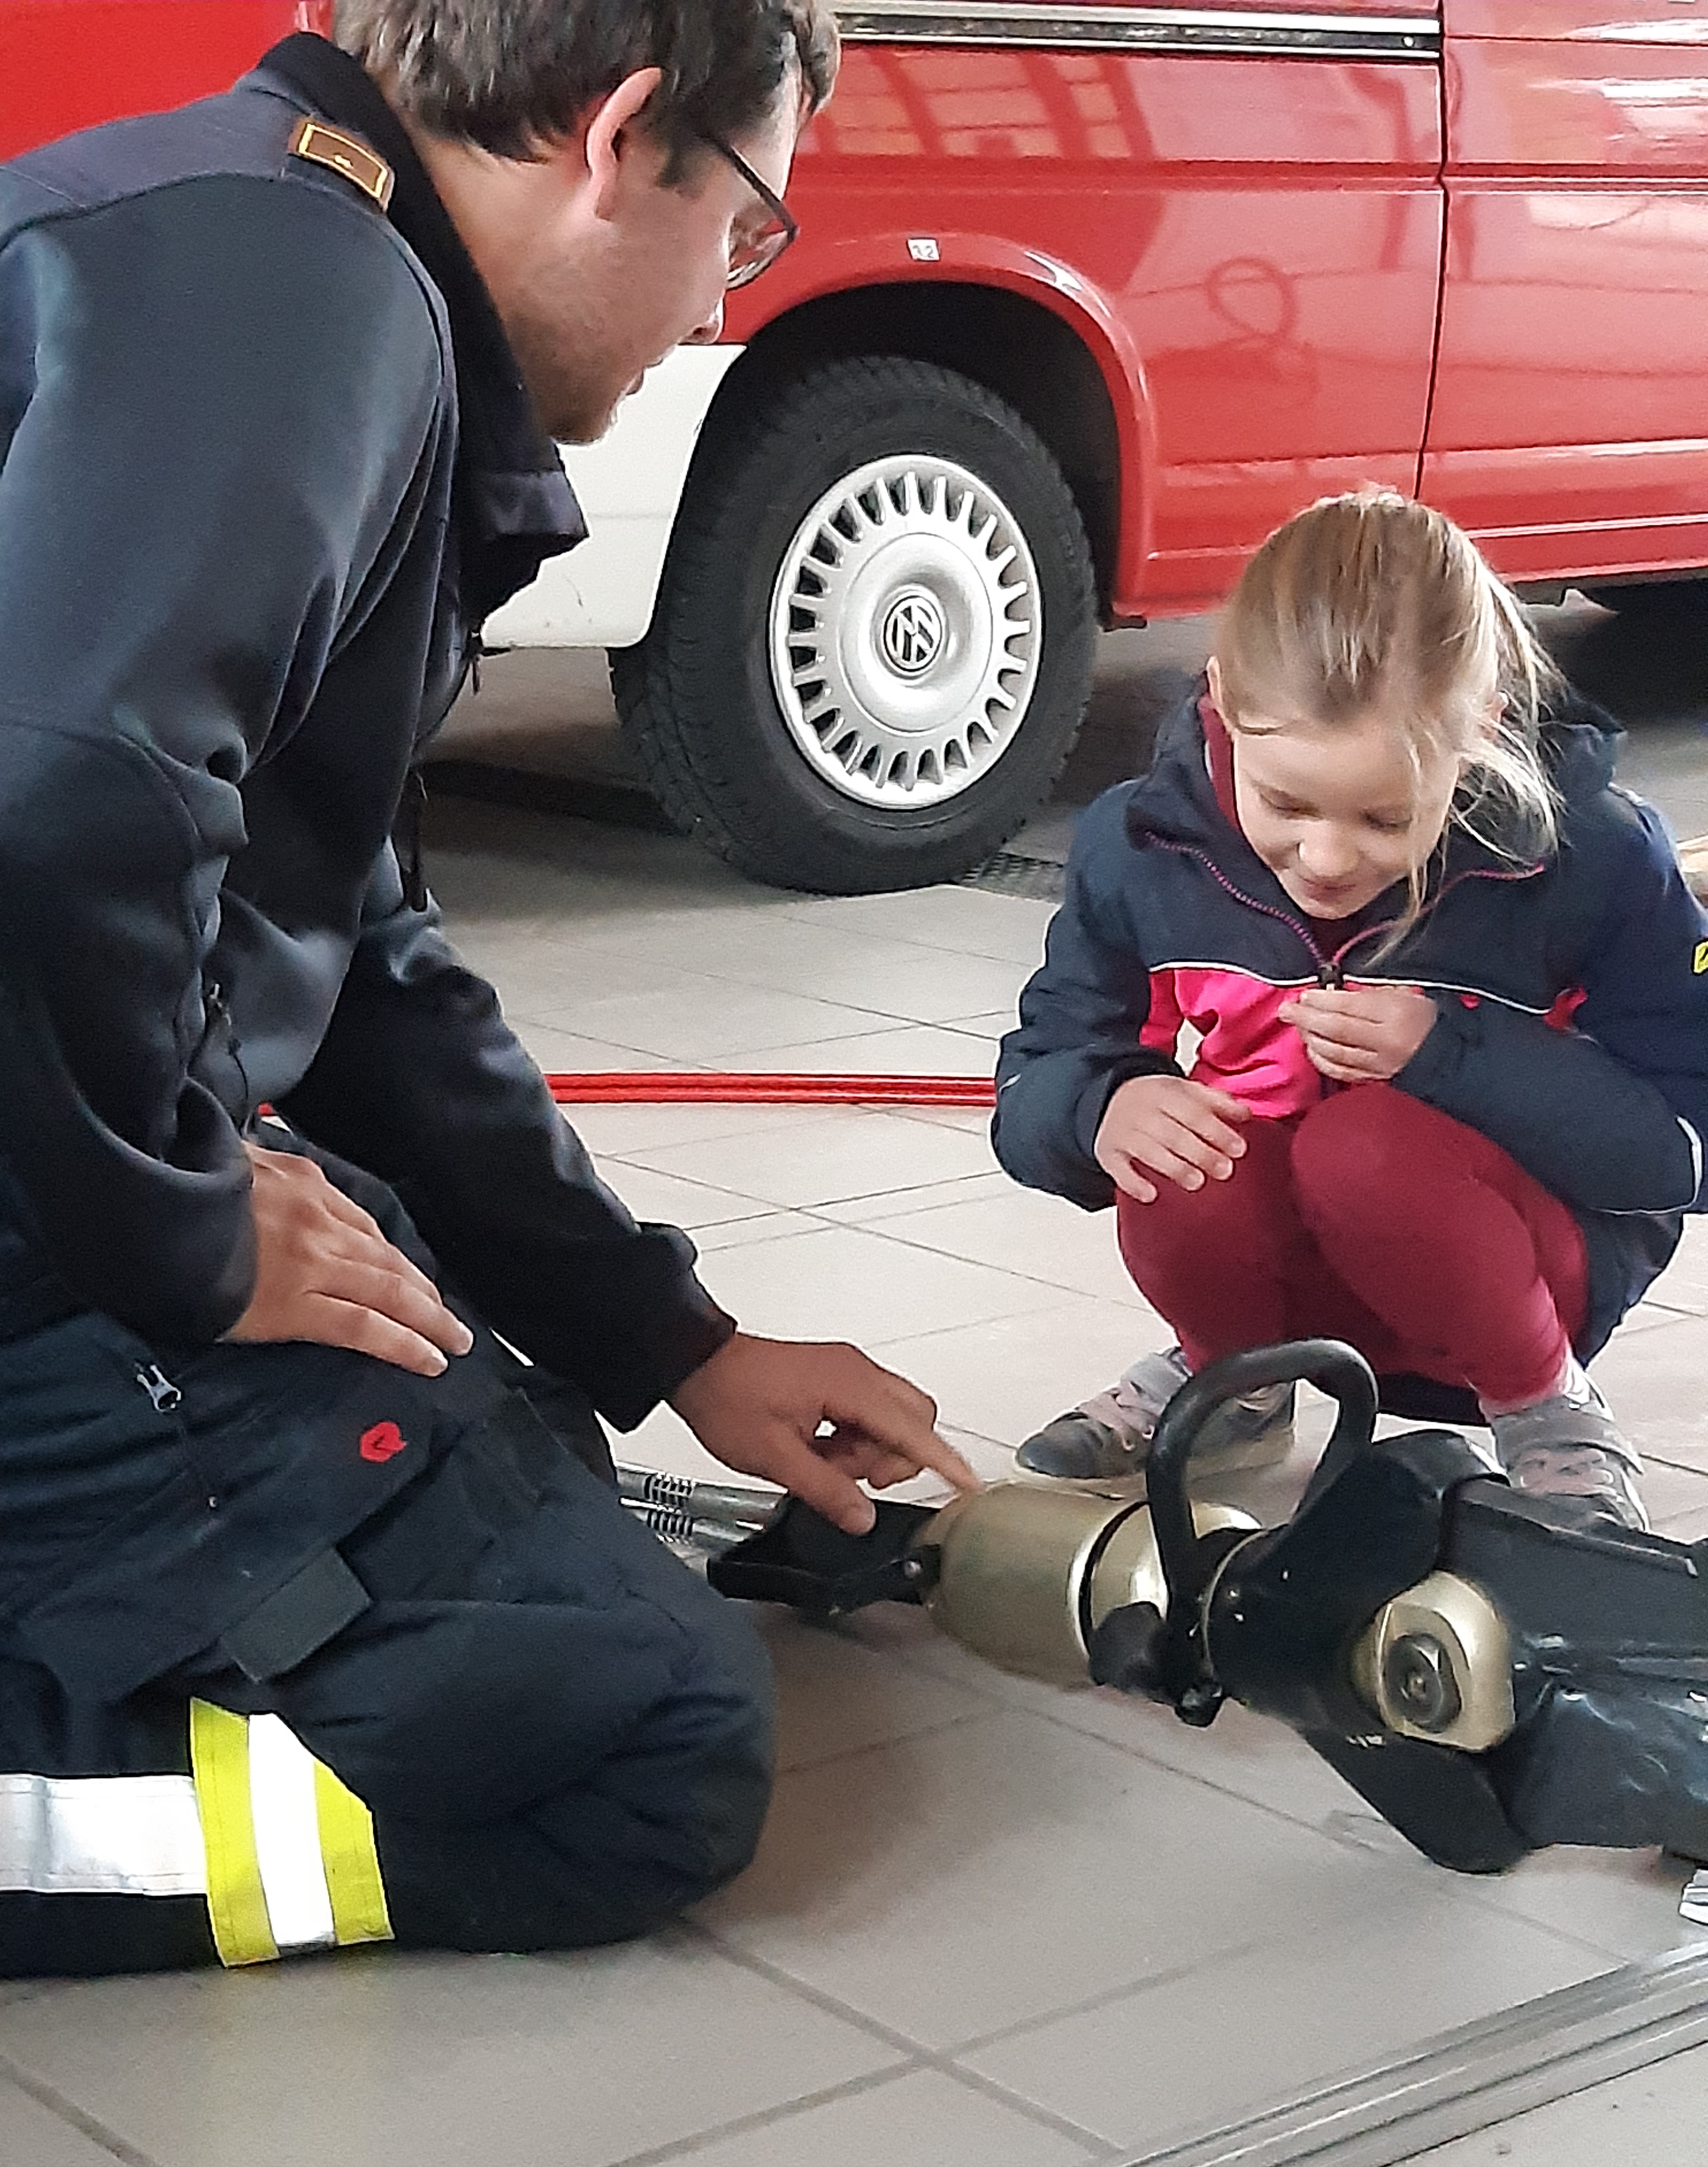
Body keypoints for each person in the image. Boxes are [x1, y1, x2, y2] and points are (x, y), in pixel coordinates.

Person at [0, 0, 979, 1977]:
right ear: (622, 138)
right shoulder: (312, 297)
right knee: (637, 1741)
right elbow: (53, 801)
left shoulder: (235, 234)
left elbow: (345, 945)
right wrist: (183, 1226)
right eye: (746, 224)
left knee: (501, 1424)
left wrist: (669, 1338)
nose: (720, 302)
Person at [994, 491, 1708, 1526]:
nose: (1326, 859)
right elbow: (1043, 1064)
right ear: (1223, 697)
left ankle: (1549, 1410)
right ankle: (1234, 1378)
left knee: (1364, 1145)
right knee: (1176, 1150)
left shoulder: (1594, 854)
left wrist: (1451, 1053)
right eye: (1285, 803)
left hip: (1517, 1275)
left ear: (1481, 726)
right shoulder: (1140, 845)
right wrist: (1095, 1107)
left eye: (1386, 816)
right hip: (1296, 1272)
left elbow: (1683, 1152)